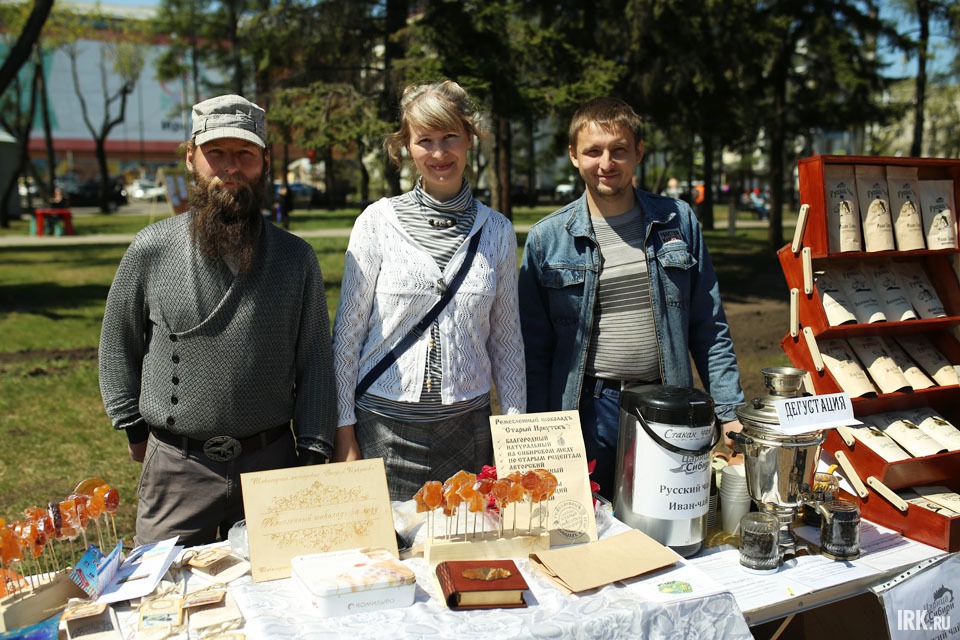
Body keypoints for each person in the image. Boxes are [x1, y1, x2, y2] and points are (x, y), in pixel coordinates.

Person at [98, 94, 337, 546]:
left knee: (279, 601)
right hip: (176, 470)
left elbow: (316, 365)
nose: (231, 168)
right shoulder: (151, 249)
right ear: (192, 158)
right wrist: (132, 425)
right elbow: (117, 344)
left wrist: (311, 452)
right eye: (217, 153)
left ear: (264, 162)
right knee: (164, 597)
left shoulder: (295, 259)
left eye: (245, 154)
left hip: (272, 466)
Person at [518, 97, 743, 500]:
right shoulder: (546, 239)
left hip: (668, 404)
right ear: (574, 156)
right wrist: (537, 432)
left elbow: (708, 326)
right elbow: (534, 350)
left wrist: (729, 412)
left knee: (668, 527)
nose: (606, 163)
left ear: (638, 152)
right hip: (587, 409)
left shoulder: (678, 221)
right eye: (593, 151)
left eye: (619, 150)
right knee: (588, 532)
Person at [331, 80, 525, 501]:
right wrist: (343, 431)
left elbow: (507, 341)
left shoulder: (497, 231)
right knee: (388, 560)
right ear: (406, 147)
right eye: (425, 140)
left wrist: (511, 434)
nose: (439, 154)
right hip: (382, 427)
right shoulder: (377, 223)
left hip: (468, 430)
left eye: (450, 137)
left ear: (469, 139)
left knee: (464, 555)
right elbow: (346, 336)